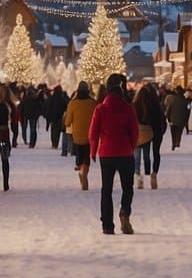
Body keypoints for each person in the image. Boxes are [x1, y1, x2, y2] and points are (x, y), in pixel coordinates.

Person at [90, 73, 140, 235]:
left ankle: (107, 225)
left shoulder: (100, 109)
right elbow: (134, 131)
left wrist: (93, 150)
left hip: (106, 153)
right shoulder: (128, 108)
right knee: (127, 187)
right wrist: (130, 147)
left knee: (107, 189)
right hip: (124, 152)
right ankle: (124, 211)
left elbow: (93, 132)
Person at [64, 81, 97, 189]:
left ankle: (80, 168)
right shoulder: (93, 103)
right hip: (90, 134)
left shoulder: (73, 104)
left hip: (77, 135)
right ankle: (84, 172)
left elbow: (67, 122)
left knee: (79, 154)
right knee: (87, 155)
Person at [133, 84, 165, 189]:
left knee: (137, 155)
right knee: (155, 153)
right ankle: (153, 174)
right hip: (156, 131)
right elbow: (162, 120)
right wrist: (161, 131)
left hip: (140, 132)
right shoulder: (156, 104)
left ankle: (138, 175)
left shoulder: (135, 104)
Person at [44, 84, 68, 154]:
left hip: (53, 117)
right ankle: (56, 143)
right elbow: (65, 107)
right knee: (57, 131)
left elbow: (49, 108)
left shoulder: (52, 98)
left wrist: (48, 117)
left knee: (53, 130)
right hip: (59, 117)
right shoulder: (62, 98)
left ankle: (53, 143)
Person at [164, 86, 188, 151]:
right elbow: (187, 110)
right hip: (181, 118)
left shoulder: (173, 99)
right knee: (179, 132)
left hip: (173, 119)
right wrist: (186, 119)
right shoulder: (185, 100)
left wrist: (167, 117)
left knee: (173, 132)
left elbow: (169, 109)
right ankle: (178, 141)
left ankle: (173, 143)